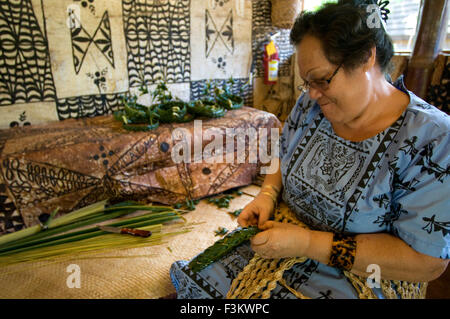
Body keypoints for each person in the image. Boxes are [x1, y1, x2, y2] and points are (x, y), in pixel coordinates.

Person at [170, 1, 449, 299]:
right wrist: (267, 195)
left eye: (322, 80)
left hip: (358, 275)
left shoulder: (433, 139)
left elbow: (426, 263)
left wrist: (306, 243)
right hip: (284, 240)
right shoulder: (313, 103)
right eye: (308, 83)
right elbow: (282, 152)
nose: (313, 93)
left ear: (367, 57)